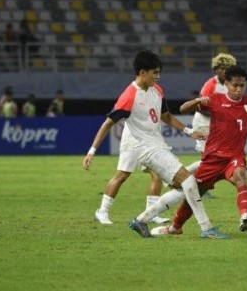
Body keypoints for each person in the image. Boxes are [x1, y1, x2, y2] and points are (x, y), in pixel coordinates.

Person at [82, 50, 228, 239]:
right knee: (189, 181)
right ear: (142, 72)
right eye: (155, 73)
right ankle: (206, 228)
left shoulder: (156, 90)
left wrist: (189, 131)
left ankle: (142, 220)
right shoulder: (129, 95)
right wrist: (92, 151)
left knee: (182, 187)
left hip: (158, 144)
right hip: (146, 148)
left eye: (159, 72)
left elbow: (166, 116)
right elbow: (108, 123)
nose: (158, 77)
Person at [150, 66, 247, 236]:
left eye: (242, 85)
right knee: (194, 195)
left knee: (241, 177)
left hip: (234, 158)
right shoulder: (215, 100)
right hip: (212, 159)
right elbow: (183, 109)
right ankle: (175, 227)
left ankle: (244, 215)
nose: (239, 89)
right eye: (235, 85)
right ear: (226, 84)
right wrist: (197, 101)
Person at [185, 53, 236, 175]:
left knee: (214, 157)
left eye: (227, 68)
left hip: (215, 125)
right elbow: (199, 106)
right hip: (202, 122)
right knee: (208, 157)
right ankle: (182, 177)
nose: (224, 71)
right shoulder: (211, 85)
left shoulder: (229, 85)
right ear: (216, 69)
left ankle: (182, 175)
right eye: (221, 68)